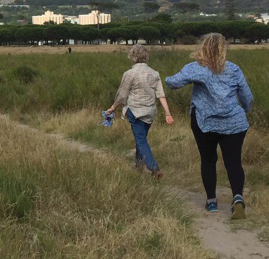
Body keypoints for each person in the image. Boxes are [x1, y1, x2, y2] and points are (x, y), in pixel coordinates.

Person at [165, 33, 253, 219]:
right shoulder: (234, 69)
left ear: (203, 48)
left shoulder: (197, 69)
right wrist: (244, 109)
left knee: (208, 160)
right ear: (224, 49)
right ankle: (237, 198)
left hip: (204, 123)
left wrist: (171, 80)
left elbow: (173, 83)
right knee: (234, 162)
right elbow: (247, 96)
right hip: (234, 123)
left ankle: (212, 201)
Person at [105, 44, 174, 180]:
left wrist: (112, 108)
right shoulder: (154, 73)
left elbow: (122, 95)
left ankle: (154, 168)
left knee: (141, 140)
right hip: (150, 112)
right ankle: (138, 166)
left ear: (132, 56)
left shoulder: (129, 74)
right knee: (141, 138)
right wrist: (167, 113)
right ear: (146, 56)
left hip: (135, 111)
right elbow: (161, 95)